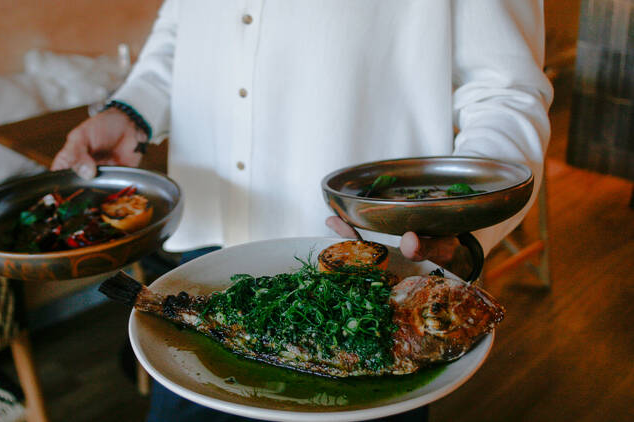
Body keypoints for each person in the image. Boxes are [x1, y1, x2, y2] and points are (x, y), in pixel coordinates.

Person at [53, 1, 552, 420]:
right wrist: (132, 110)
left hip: (378, 288)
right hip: (205, 250)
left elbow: (505, 90)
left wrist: (462, 228)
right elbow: (182, 24)